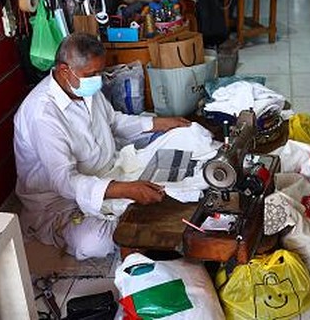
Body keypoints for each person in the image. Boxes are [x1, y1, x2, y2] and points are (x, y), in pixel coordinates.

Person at [13, 33, 191, 260]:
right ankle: (105, 224)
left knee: (180, 137)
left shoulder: (83, 88)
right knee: (95, 242)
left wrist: (159, 123)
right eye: (91, 74)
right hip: (62, 203)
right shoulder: (42, 114)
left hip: (110, 173)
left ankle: (128, 214)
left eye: (99, 72)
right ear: (64, 70)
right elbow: (64, 181)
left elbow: (114, 121)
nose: (98, 80)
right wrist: (125, 190)